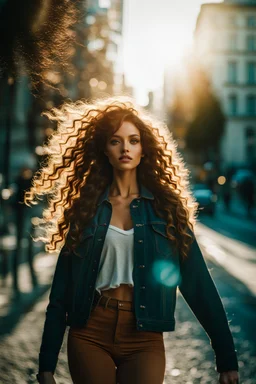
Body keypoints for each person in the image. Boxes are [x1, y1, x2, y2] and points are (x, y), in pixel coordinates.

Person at [25, 96, 239, 384]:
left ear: (143, 148)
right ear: (104, 149)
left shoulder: (167, 208)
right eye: (116, 141)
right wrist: (46, 364)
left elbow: (198, 283)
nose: (125, 147)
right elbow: (61, 291)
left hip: (145, 337)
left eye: (133, 140)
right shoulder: (86, 208)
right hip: (90, 332)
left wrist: (226, 358)